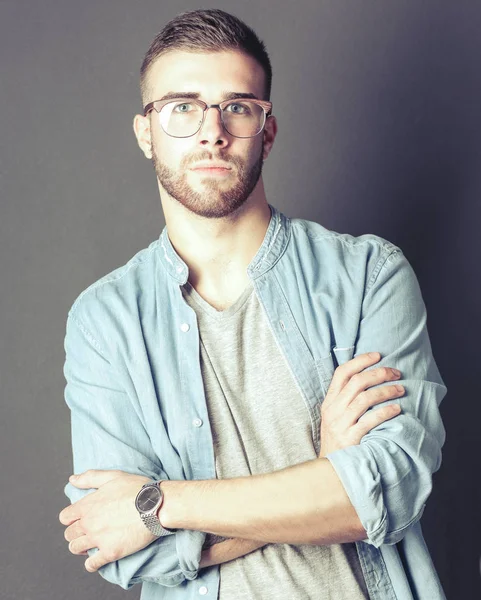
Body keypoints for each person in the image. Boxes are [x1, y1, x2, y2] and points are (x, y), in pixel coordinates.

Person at [58, 8, 447, 600]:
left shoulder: (369, 276)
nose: (211, 131)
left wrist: (163, 503)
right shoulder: (104, 322)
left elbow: (390, 488)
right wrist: (322, 471)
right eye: (182, 107)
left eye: (237, 107)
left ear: (267, 129)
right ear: (146, 132)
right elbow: (124, 555)